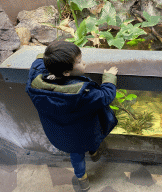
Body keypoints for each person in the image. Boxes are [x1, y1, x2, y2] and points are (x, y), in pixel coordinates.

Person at [25, 40, 118, 191]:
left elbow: (37, 64)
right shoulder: (82, 94)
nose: (84, 63)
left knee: (77, 156)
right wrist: (108, 79)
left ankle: (82, 179)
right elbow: (105, 96)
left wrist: (52, 57)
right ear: (67, 73)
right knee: (90, 142)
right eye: (80, 62)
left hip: (60, 135)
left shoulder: (35, 81)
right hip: (84, 134)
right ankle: (93, 155)